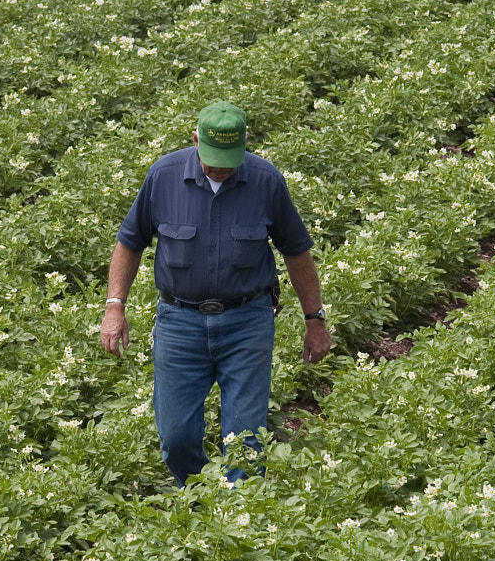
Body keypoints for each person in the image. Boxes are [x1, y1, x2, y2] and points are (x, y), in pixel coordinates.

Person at [100, 101, 330, 485]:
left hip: (246, 322)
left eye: (230, 159)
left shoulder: (266, 181)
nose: (222, 168)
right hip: (180, 323)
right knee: (176, 436)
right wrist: (114, 307)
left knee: (244, 439)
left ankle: (239, 517)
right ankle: (197, 502)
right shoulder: (164, 176)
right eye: (213, 159)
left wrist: (315, 319)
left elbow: (297, 253)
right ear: (195, 140)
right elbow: (129, 243)